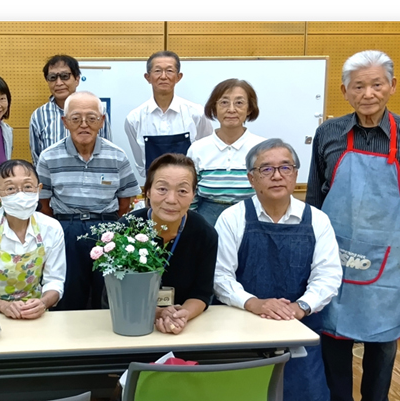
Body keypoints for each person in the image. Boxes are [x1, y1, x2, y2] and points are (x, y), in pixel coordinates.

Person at [305, 50, 400, 401]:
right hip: (336, 250)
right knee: (333, 331)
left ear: (392, 86)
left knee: (383, 338)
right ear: (345, 91)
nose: (368, 93)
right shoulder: (329, 133)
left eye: (376, 84)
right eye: (358, 86)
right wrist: (310, 246)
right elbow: (315, 197)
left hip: (393, 254)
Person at [213, 138, 342, 401]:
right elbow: (220, 276)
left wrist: (300, 307)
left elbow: (328, 275)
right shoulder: (232, 218)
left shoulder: (318, 220)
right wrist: (254, 303)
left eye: (285, 167)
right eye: (266, 169)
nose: (277, 175)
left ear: (295, 174)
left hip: (297, 324)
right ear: (251, 178)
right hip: (244, 323)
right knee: (241, 395)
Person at [36, 91, 141, 311]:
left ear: (102, 121)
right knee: (68, 293)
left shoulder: (117, 156)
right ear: (65, 122)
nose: (84, 124)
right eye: (76, 118)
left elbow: (125, 203)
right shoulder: (48, 157)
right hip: (66, 229)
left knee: (108, 293)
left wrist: (110, 227)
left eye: (91, 118)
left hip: (107, 229)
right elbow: (44, 207)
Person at [128, 153, 218, 334]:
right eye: (162, 189)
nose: (171, 199)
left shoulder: (204, 234)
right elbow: (114, 293)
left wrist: (181, 316)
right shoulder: (126, 229)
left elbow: (201, 293)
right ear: (147, 191)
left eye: (182, 191)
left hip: (183, 328)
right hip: (132, 322)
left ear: (193, 195)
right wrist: (155, 313)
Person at [0, 160, 66, 319]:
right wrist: (3, 306)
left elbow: (55, 280)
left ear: (38, 189)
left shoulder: (51, 228)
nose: (20, 194)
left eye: (27, 187)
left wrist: (43, 303)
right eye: (11, 188)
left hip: (35, 315)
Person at [187, 78, 266, 226]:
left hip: (253, 218)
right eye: (224, 102)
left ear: (249, 109)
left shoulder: (263, 148)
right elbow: (190, 194)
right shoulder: (197, 148)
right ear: (214, 108)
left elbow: (269, 192)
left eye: (239, 103)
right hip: (207, 220)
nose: (231, 109)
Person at [124, 50, 213, 178]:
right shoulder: (134, 119)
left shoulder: (196, 114)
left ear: (178, 77)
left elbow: (207, 154)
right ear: (148, 77)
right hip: (154, 187)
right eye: (157, 71)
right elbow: (141, 165)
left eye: (169, 71)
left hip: (190, 187)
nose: (163, 76)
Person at [29, 54, 112, 165]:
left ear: (77, 79)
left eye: (64, 76)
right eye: (52, 78)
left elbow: (107, 151)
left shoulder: (97, 111)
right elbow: (37, 160)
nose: (59, 83)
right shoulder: (39, 116)